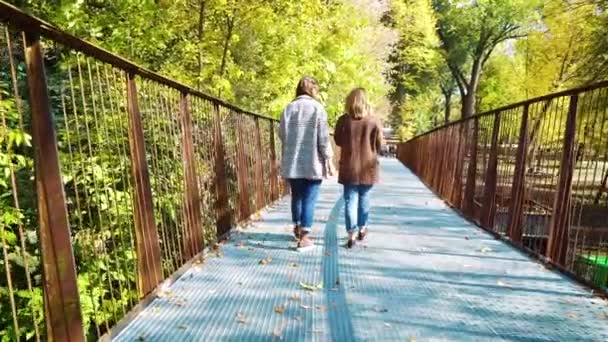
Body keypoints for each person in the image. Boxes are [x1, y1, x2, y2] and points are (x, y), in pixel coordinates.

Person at [279, 76, 335, 250]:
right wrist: (329, 159)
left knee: (296, 196)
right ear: (313, 91)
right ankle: (304, 237)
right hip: (312, 162)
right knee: (310, 198)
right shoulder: (318, 109)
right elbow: (324, 139)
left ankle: (296, 225)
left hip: (292, 162)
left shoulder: (288, 109)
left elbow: (282, 134)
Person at [334, 88, 383, 248]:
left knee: (350, 200)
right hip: (368, 167)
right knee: (365, 198)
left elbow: (338, 141)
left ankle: (351, 234)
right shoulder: (374, 121)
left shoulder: (344, 120)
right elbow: (380, 145)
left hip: (349, 167)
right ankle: (362, 228)